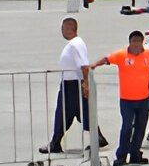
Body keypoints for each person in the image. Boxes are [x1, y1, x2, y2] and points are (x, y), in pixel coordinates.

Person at [89, 30, 149, 166]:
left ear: (142, 43)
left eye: (138, 42)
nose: (136, 45)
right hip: (127, 100)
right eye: (133, 41)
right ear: (130, 42)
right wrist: (94, 65)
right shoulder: (122, 55)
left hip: (143, 99)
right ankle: (121, 155)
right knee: (127, 127)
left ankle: (135, 154)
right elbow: (107, 59)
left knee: (140, 127)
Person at [40, 17, 108, 155]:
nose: (62, 31)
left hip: (73, 85)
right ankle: (57, 142)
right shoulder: (75, 43)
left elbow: (84, 65)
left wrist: (85, 84)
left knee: (66, 113)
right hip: (70, 84)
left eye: (63, 28)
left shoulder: (75, 45)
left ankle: (56, 143)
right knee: (77, 114)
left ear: (70, 28)